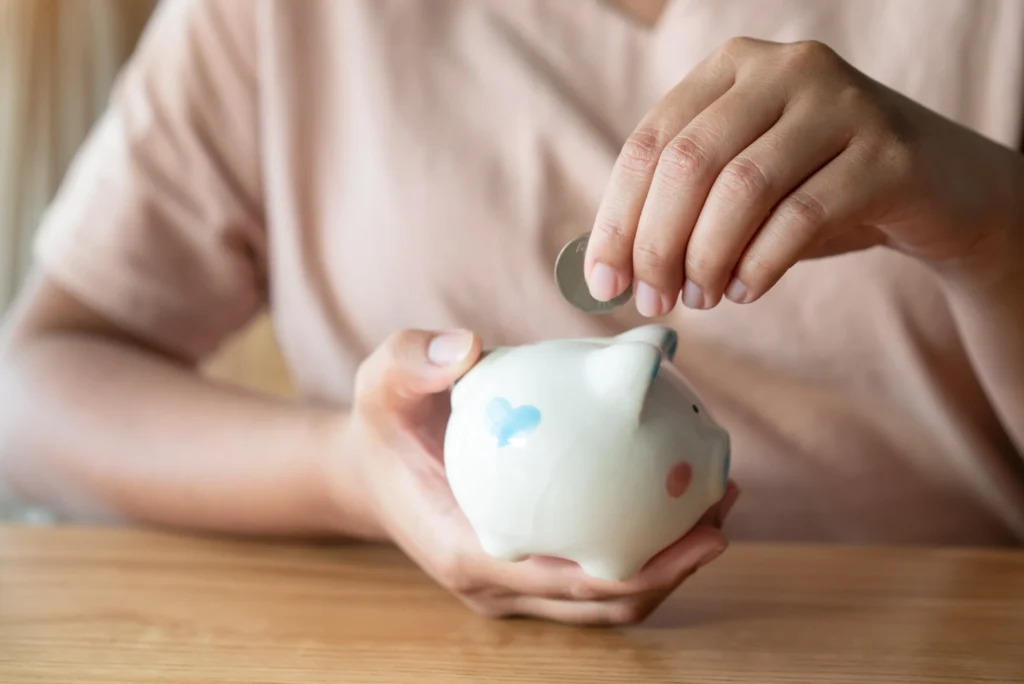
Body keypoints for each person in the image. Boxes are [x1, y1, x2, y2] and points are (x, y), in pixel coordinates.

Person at [0, 0, 1022, 626]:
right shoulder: (274, 15)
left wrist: (991, 224)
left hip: (926, 641)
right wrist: (345, 474)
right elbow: (31, 397)